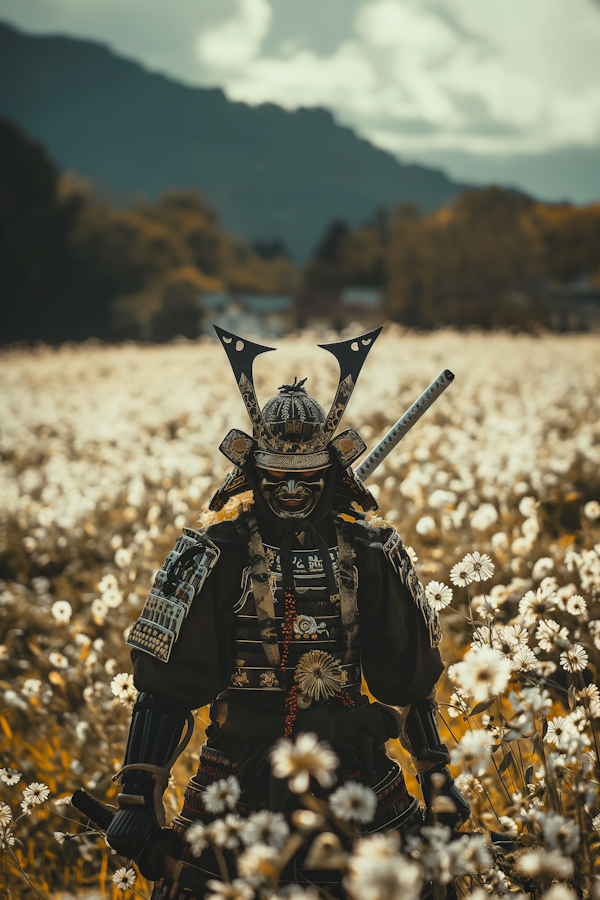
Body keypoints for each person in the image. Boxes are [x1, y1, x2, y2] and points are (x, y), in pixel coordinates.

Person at [105, 326, 469, 898]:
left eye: (307, 479)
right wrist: (136, 796)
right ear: (251, 475)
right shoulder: (214, 553)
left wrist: (438, 773)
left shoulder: (369, 552)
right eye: (277, 478)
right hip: (240, 769)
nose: (293, 492)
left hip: (354, 766)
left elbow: (408, 678)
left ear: (332, 475)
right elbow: (165, 688)